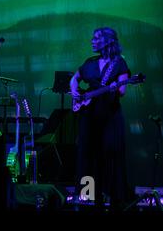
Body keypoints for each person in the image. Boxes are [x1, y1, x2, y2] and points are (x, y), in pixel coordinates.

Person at [70, 27, 130, 211]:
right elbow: (74, 79)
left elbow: (122, 90)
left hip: (109, 116)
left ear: (108, 41)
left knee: (109, 155)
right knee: (87, 155)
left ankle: (112, 197)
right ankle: (87, 196)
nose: (92, 41)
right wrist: (75, 93)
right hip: (89, 116)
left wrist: (115, 88)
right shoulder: (90, 62)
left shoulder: (119, 63)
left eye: (97, 38)